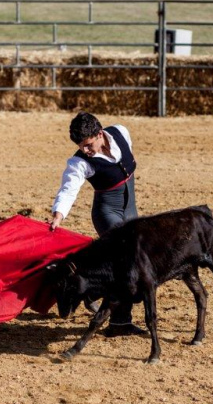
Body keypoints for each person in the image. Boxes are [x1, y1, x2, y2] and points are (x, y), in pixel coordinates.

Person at [49, 111, 146, 338]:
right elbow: (69, 188)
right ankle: (120, 322)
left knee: (136, 258)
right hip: (106, 213)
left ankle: (91, 291)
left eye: (88, 144)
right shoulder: (80, 162)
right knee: (125, 263)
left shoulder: (121, 132)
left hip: (131, 210)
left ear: (100, 134)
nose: (85, 150)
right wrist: (58, 215)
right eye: (81, 146)